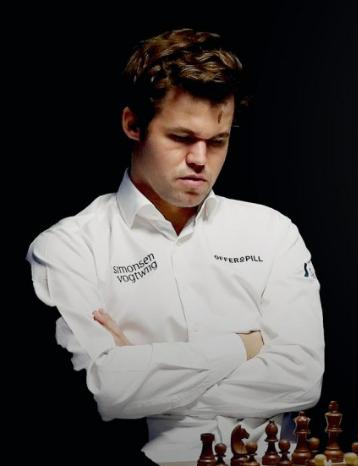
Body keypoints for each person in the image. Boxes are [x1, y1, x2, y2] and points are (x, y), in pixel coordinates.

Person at [26, 28, 325, 464]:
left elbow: (302, 378)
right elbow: (105, 390)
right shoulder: (68, 248)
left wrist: (144, 375)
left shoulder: (272, 232)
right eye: (182, 138)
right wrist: (243, 346)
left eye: (217, 141)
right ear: (133, 124)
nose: (201, 159)